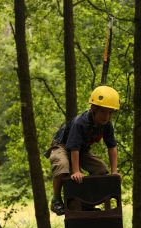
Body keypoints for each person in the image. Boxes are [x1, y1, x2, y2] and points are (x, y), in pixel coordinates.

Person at [48, 85, 120, 215]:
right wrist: (76, 171)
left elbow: (112, 146)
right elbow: (73, 147)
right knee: (62, 165)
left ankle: (87, 200)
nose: (106, 116)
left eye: (110, 112)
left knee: (101, 170)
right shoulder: (80, 123)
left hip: (81, 149)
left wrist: (114, 171)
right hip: (62, 146)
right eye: (103, 111)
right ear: (93, 109)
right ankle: (56, 200)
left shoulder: (107, 124)